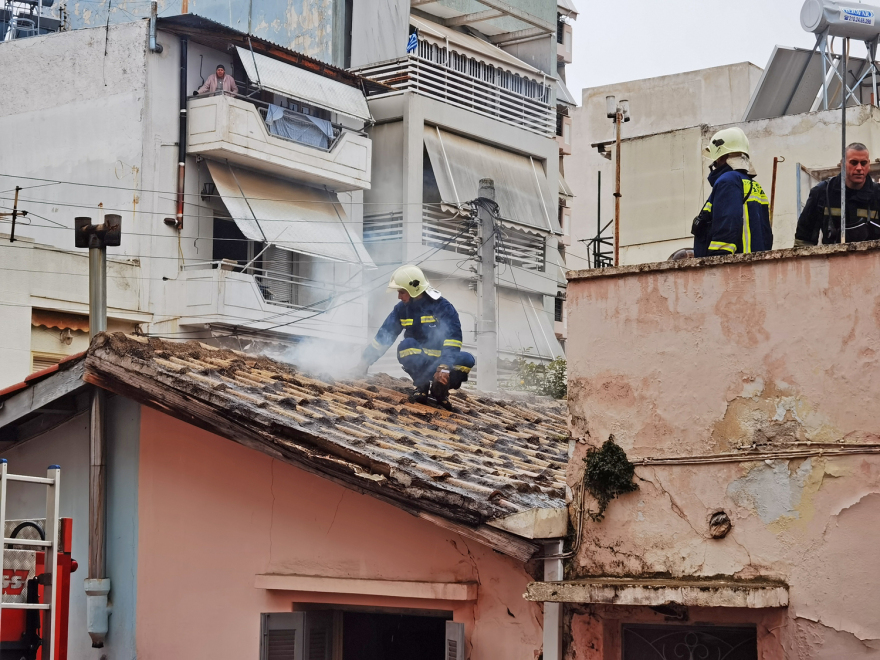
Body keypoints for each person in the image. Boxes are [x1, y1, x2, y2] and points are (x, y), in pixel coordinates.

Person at [355, 265, 475, 410]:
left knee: (467, 360)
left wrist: (444, 367)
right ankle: (421, 386)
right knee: (406, 345)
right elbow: (384, 336)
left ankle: (441, 391)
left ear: (414, 290)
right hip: (421, 364)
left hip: (443, 364)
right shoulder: (401, 309)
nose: (399, 296)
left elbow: (453, 340)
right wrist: (365, 360)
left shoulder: (443, 307)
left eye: (401, 292)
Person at [692, 127, 773, 257]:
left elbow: (727, 222)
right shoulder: (754, 185)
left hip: (736, 264)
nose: (714, 163)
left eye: (715, 159)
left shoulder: (728, 181)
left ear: (721, 157)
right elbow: (766, 233)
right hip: (756, 262)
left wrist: (719, 258)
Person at [794, 142, 880, 246]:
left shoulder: (877, 194)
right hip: (832, 256)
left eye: (863, 163)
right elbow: (803, 240)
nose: (859, 168)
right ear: (842, 164)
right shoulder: (822, 193)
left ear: (868, 164)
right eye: (853, 162)